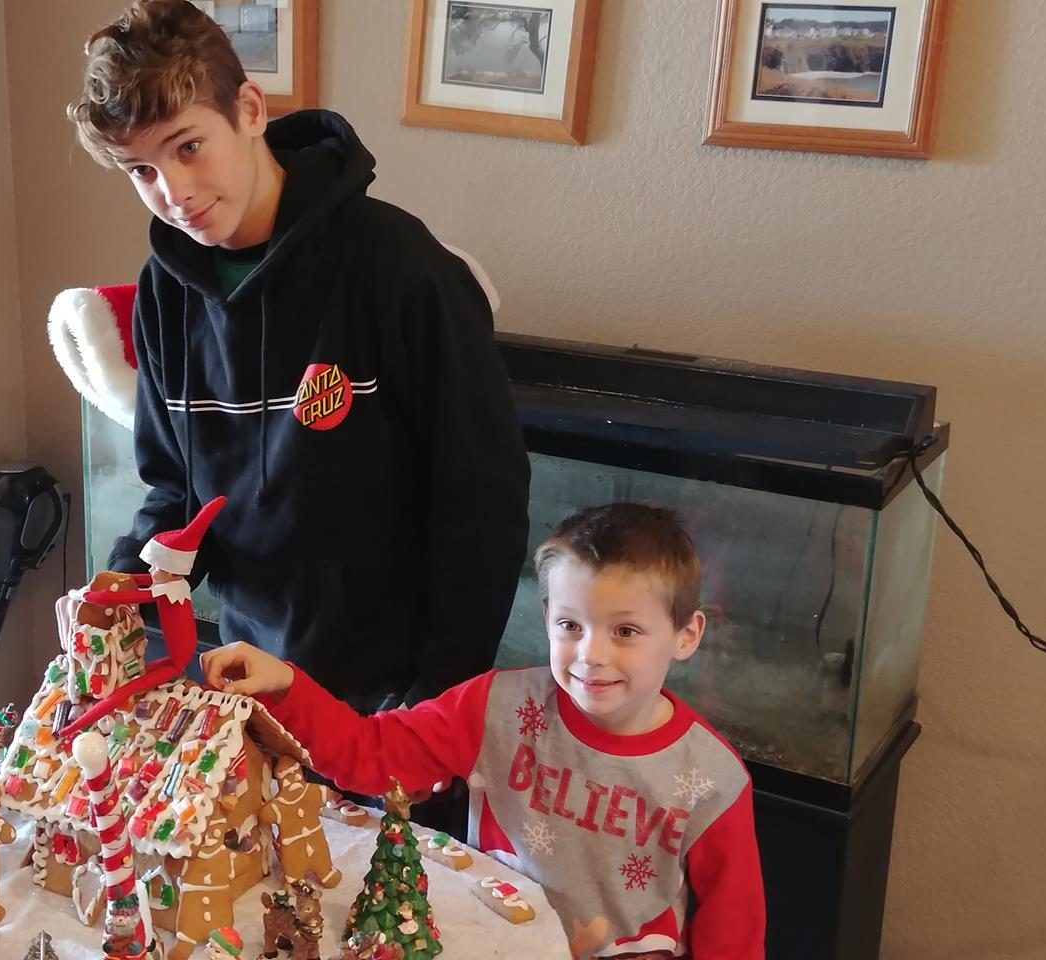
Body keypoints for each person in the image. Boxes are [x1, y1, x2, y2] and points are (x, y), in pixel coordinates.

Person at [69, 0, 529, 722]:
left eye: (189, 147)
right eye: (142, 170)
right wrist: (122, 586)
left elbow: (481, 502)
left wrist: (438, 701)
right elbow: (175, 493)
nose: (174, 192)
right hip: (245, 668)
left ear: (250, 110)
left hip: (393, 691)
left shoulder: (402, 268)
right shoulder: (165, 292)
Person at [203, 504, 765, 958]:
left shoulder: (713, 779)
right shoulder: (496, 704)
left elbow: (732, 934)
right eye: (570, 625)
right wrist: (286, 686)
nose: (591, 654)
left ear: (686, 635)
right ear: (547, 619)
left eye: (626, 631)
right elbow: (372, 755)